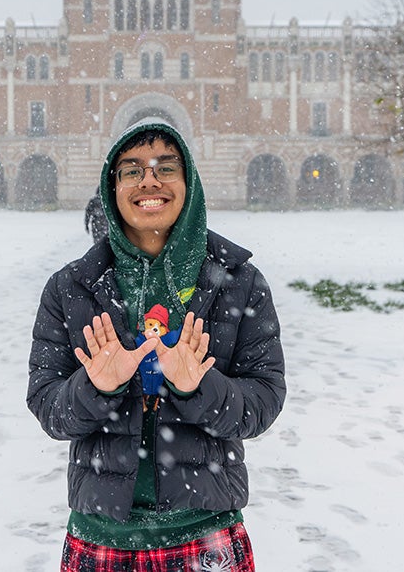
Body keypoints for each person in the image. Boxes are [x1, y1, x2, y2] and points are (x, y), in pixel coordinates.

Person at [27, 118, 286, 572]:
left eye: (166, 168)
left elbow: (263, 401)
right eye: (131, 170)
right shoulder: (71, 289)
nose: (149, 180)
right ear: (113, 189)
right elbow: (48, 407)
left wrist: (198, 387)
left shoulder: (239, 283)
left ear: (189, 184)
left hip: (206, 535)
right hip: (102, 537)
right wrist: (96, 388)